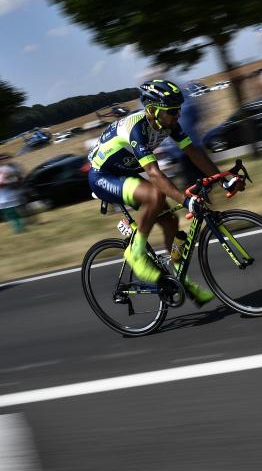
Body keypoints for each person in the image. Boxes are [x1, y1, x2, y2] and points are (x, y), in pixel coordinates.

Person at [87, 79, 245, 305]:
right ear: (152, 110)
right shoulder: (136, 129)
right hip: (102, 177)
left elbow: (194, 152)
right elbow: (153, 173)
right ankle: (135, 253)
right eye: (172, 111)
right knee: (156, 194)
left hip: (125, 173)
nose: (178, 115)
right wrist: (186, 200)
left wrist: (223, 180)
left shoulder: (168, 124)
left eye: (178, 109)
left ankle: (181, 280)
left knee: (171, 220)